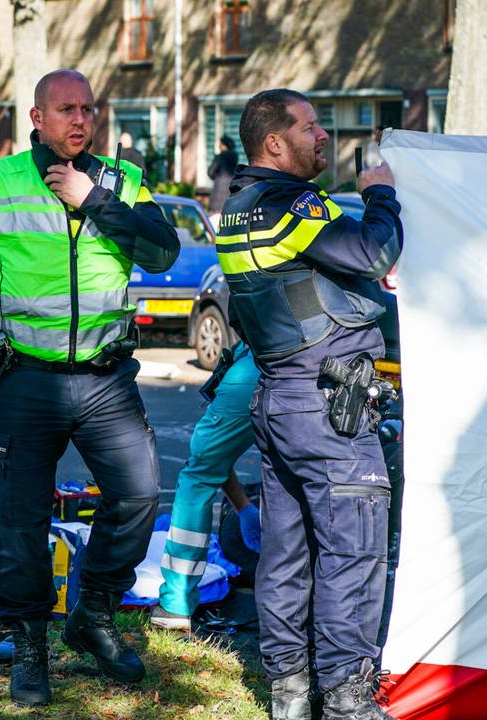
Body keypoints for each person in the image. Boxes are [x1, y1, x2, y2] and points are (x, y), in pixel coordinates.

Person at [0, 69, 180, 707]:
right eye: (64, 110)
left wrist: (93, 201)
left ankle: (94, 617)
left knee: (138, 495)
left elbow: (163, 254)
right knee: (18, 523)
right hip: (22, 378)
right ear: (37, 117)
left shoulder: (122, 181)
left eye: (87, 109)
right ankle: (29, 646)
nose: (79, 121)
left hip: (106, 376)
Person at [217, 88, 402, 720]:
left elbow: (304, 289)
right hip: (329, 407)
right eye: (311, 126)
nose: (322, 135)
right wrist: (380, 191)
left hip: (281, 399)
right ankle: (350, 699)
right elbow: (372, 252)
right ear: (275, 142)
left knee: (286, 555)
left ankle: (290, 694)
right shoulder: (289, 202)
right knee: (353, 550)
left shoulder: (239, 206)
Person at [152, 341, 261, 630]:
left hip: (261, 358)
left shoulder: (247, 361)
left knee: (197, 478)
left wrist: (244, 508)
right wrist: (244, 507)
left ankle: (175, 605)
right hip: (324, 362)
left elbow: (207, 461)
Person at [208, 135, 239, 213]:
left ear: (224, 145)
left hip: (218, 196)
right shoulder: (234, 158)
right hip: (230, 195)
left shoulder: (219, 157)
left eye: (220, 144)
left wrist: (217, 177)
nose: (219, 146)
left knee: (215, 221)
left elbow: (210, 172)